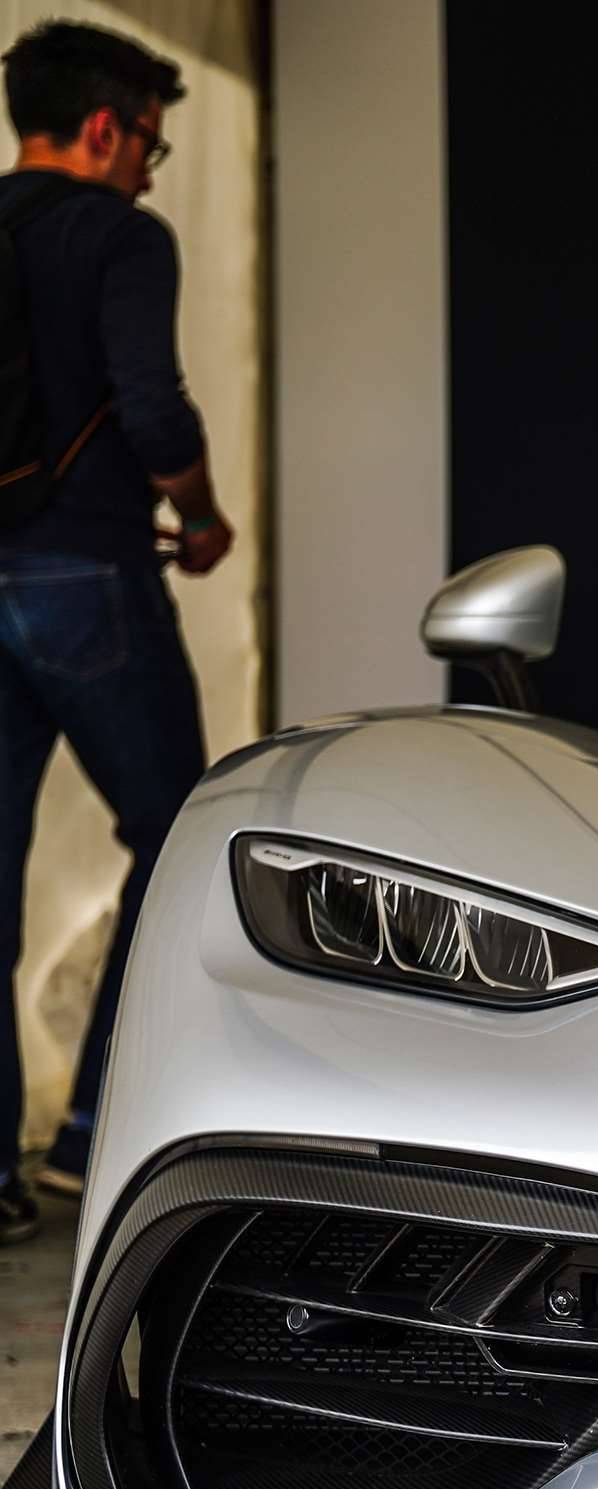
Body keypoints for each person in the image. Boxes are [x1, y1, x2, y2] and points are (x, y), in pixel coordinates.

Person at [0, 22, 231, 1242]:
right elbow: (153, 405)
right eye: (149, 142)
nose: (149, 167)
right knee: (178, 837)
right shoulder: (122, 236)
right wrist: (200, 512)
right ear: (104, 127)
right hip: (87, 573)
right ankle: (96, 1132)